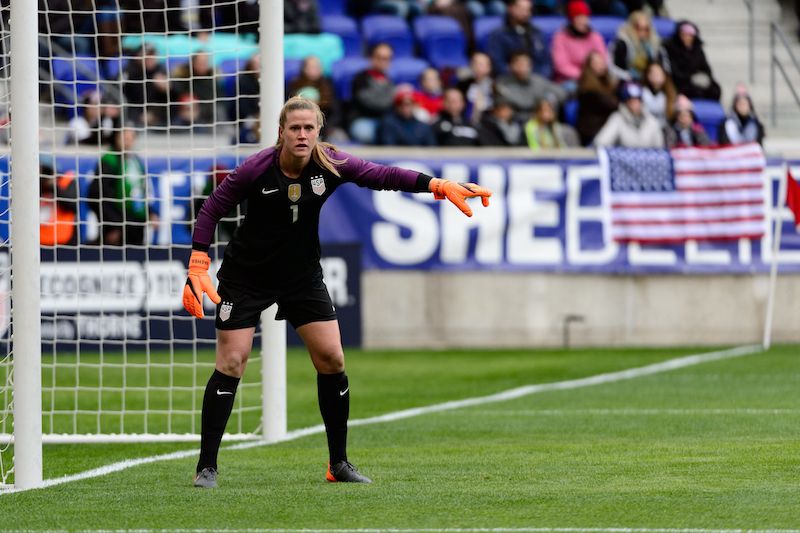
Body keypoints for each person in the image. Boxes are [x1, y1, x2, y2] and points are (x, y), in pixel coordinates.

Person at [183, 95, 492, 488]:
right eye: (294, 128)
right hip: (247, 277)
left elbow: (382, 176)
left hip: (301, 276)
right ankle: (206, 466)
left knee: (332, 358)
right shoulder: (257, 168)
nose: (302, 135)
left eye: (309, 128)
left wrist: (436, 184)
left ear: (318, 132)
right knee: (232, 362)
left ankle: (338, 464)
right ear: (280, 133)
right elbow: (213, 207)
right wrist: (198, 262)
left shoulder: (329, 162)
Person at [87, 123, 159, 246]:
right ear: (117, 137)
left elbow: (140, 192)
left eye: (131, 138)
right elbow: (96, 196)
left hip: (136, 226)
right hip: (117, 228)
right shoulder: (109, 160)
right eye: (124, 137)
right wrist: (113, 226)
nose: (128, 141)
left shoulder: (135, 161)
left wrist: (150, 212)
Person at [485, 0, 552, 78]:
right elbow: (497, 64)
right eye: (521, 9)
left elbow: (546, 62)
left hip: (537, 81)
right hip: (510, 81)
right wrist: (518, 76)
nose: (525, 13)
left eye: (528, 10)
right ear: (510, 9)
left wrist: (538, 79)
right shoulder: (498, 35)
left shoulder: (537, 33)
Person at [495, 52, 567, 123]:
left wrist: (548, 100)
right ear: (510, 65)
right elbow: (504, 109)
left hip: (540, 120)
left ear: (530, 66)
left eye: (525, 63)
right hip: (515, 121)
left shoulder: (538, 80)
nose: (522, 67)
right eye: (518, 63)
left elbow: (561, 93)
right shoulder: (502, 83)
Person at [550, 0, 608, 90]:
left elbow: (602, 59)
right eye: (578, 17)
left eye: (585, 17)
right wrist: (584, 75)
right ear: (571, 20)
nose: (582, 21)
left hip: (595, 76)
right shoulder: (560, 37)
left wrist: (594, 74)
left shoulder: (595, 36)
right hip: (569, 80)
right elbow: (561, 66)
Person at [349, 43, 397, 144]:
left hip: (386, 121)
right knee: (364, 133)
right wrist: (394, 95)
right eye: (379, 57)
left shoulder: (390, 80)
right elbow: (371, 103)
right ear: (371, 58)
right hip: (364, 120)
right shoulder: (360, 78)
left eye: (387, 58)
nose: (383, 61)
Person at [662, 20, 721, 101]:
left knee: (716, 90)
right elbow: (675, 72)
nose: (687, 37)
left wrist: (703, 78)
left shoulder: (698, 49)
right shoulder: (671, 49)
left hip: (698, 80)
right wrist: (691, 78)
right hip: (682, 83)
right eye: (684, 34)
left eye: (690, 35)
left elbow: (707, 69)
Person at [593, 81, 664, 147]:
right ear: (625, 102)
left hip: (648, 159)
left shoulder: (651, 121)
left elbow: (660, 149)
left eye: (637, 99)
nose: (635, 103)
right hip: (622, 159)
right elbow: (600, 143)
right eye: (631, 100)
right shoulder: (617, 119)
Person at [575, 50, 619, 145]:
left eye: (602, 62)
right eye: (596, 63)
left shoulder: (608, 84)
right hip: (593, 132)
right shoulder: (586, 88)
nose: (601, 65)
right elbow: (612, 105)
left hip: (609, 129)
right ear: (589, 66)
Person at [608, 10, 664, 82]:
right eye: (638, 28)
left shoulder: (652, 43)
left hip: (646, 81)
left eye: (646, 29)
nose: (642, 33)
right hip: (625, 79)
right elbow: (613, 67)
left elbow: (656, 64)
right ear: (631, 27)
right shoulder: (622, 43)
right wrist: (628, 77)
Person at [40, 163, 79, 247]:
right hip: (39, 240)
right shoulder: (33, 186)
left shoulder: (67, 182)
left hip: (63, 240)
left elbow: (72, 205)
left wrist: (54, 187)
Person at [456, 51, 494, 124]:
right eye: (474, 63)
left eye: (481, 64)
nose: (477, 66)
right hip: (465, 120)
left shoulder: (494, 85)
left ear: (489, 67)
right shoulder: (462, 84)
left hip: (488, 122)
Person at [641, 61, 676, 127]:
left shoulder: (670, 94)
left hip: (664, 129)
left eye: (659, 73)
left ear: (664, 75)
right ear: (648, 75)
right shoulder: (642, 92)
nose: (656, 75)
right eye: (653, 73)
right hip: (645, 128)